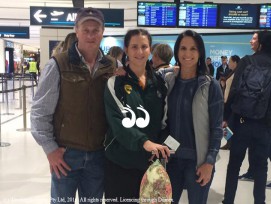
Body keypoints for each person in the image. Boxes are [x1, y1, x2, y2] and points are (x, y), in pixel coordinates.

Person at [31, 7, 116, 204]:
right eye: (85, 29)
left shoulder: (112, 66)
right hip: (66, 156)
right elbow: (39, 112)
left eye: (96, 30)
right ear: (76, 31)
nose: (90, 35)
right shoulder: (58, 65)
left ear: (103, 32)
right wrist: (50, 149)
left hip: (98, 155)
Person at [222, 31, 271, 204]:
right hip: (264, 126)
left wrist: (225, 116)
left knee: (234, 165)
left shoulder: (246, 61)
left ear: (261, 44)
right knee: (261, 167)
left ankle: (228, 200)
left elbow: (234, 91)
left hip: (241, 122)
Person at [104, 28, 170, 203]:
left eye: (144, 46)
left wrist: (163, 147)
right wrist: (144, 142)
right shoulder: (115, 83)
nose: (139, 52)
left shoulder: (160, 83)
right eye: (134, 47)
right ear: (126, 49)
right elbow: (117, 121)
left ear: (150, 50)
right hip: (120, 164)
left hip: (150, 167)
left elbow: (165, 122)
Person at [164, 30, 223, 204]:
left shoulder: (210, 85)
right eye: (183, 48)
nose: (187, 54)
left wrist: (209, 163)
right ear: (177, 52)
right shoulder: (169, 81)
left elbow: (217, 129)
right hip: (171, 161)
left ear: (200, 53)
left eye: (193, 49)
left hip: (198, 163)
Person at [220, 55, 240, 150]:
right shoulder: (232, 73)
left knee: (229, 123)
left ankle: (230, 143)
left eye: (230, 61)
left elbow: (234, 89)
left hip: (231, 102)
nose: (229, 63)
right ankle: (229, 142)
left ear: (235, 62)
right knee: (227, 123)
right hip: (227, 100)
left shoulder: (237, 74)